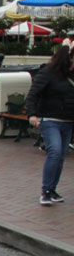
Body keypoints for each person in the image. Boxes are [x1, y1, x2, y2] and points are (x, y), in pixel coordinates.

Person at [26, 44, 74, 205]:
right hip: (50, 119)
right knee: (55, 150)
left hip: (68, 121)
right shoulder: (47, 73)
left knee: (60, 156)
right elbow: (33, 94)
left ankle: (52, 189)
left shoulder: (71, 75)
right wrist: (32, 114)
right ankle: (46, 191)